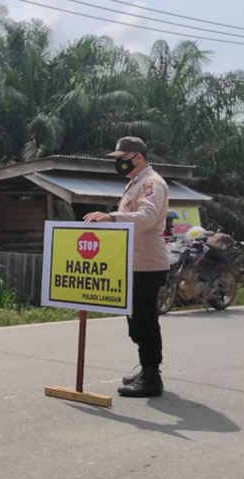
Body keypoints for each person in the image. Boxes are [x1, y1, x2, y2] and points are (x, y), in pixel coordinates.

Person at [84, 136, 170, 397]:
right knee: (136, 319)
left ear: (138, 157)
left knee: (144, 320)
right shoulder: (137, 182)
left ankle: (152, 377)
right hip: (134, 263)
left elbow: (146, 218)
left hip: (147, 264)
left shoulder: (151, 183)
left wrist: (111, 217)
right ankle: (147, 370)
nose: (118, 164)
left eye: (122, 159)